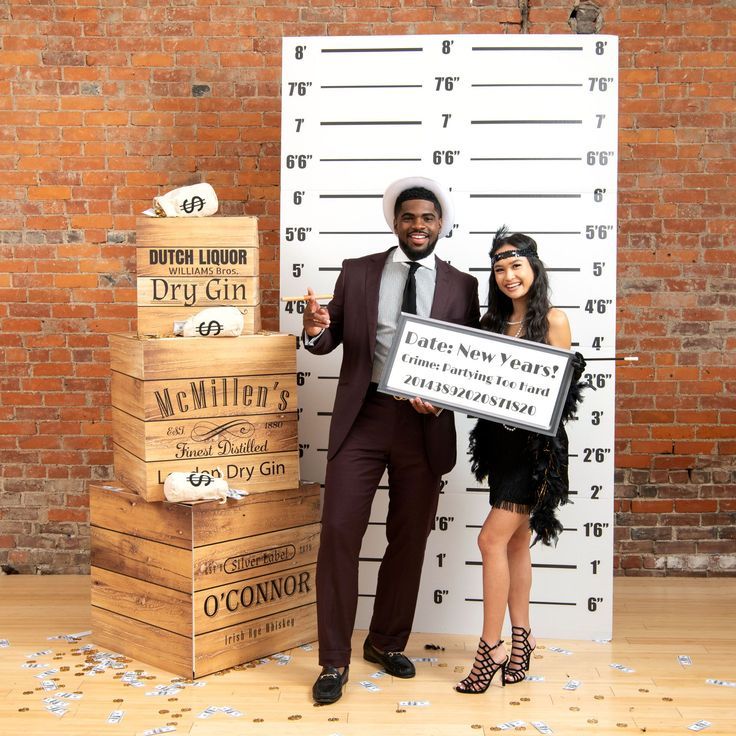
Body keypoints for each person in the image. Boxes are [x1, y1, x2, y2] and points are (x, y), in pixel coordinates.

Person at [302, 176, 480, 704]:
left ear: (440, 224)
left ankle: (385, 642)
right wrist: (314, 326)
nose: (418, 225)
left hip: (423, 427)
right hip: (364, 415)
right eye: (408, 218)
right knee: (338, 532)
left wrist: (443, 397)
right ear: (395, 223)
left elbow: (466, 364)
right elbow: (325, 340)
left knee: (409, 539)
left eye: (427, 218)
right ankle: (333, 660)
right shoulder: (357, 272)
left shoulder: (462, 287)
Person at [455, 227, 586, 693]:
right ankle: (523, 639)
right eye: (499, 268)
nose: (508, 276)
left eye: (516, 266)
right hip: (499, 447)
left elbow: (558, 399)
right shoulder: (490, 323)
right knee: (513, 544)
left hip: (535, 453)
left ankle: (489, 650)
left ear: (534, 267)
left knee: (490, 541)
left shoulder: (554, 320)